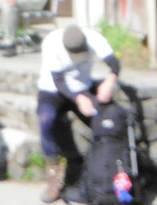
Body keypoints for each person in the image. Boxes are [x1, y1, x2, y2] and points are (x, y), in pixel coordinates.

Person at [35, 24, 121, 203]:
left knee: (103, 119)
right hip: (53, 89)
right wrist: (79, 99)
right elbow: (59, 82)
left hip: (82, 86)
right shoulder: (52, 43)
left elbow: (114, 64)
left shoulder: (93, 38)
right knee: (46, 120)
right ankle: (54, 176)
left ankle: (109, 169)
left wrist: (110, 81)